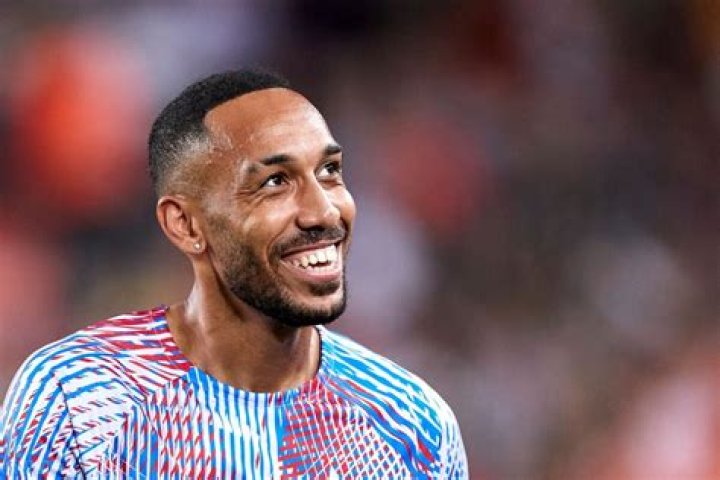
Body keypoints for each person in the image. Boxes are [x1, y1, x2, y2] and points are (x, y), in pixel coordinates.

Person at [0, 68, 468, 478]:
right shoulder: (79, 401)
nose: (323, 211)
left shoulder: (411, 424)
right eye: (275, 182)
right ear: (185, 225)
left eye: (329, 171)